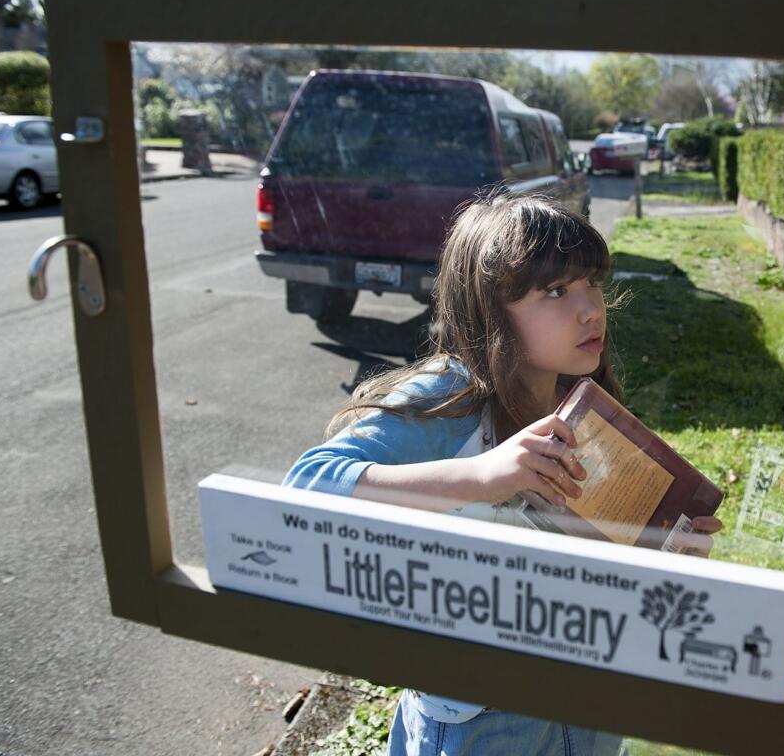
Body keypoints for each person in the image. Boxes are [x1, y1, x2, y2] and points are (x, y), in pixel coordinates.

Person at [283, 192, 720, 756]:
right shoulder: (450, 398)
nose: (591, 309)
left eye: (592, 283)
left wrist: (662, 546)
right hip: (482, 718)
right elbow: (308, 485)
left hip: (586, 695)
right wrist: (481, 475)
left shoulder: (581, 403)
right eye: (557, 291)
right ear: (490, 307)